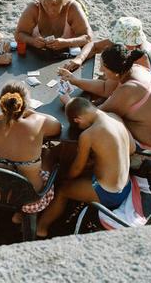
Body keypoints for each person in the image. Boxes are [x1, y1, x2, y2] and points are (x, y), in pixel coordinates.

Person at [36, 97, 135, 238]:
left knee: (63, 189)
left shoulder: (88, 135)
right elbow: (132, 148)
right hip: (126, 185)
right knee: (85, 171)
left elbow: (76, 169)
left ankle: (41, 228)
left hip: (110, 194)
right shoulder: (114, 117)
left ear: (78, 120)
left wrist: (62, 178)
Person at [0, 81, 61, 222]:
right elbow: (57, 127)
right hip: (31, 198)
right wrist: (32, 112)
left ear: (1, 103)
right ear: (24, 104)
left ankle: (14, 212)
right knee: (48, 153)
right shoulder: (38, 121)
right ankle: (23, 214)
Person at [58, 44, 151, 149]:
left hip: (146, 145)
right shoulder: (134, 68)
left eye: (104, 69)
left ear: (115, 73)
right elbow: (105, 87)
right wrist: (75, 80)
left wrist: (69, 102)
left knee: (92, 124)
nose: (100, 70)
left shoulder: (128, 90)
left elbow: (92, 117)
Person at [15, 0, 92, 52]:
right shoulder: (34, 8)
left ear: (64, 0)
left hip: (68, 58)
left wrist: (66, 43)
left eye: (54, 4)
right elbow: (18, 35)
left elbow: (88, 38)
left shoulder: (72, 8)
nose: (50, 10)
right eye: (45, 4)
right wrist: (33, 41)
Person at [63, 16, 151, 77]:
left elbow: (136, 87)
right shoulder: (125, 44)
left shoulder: (141, 57)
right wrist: (79, 59)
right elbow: (93, 45)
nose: (117, 45)